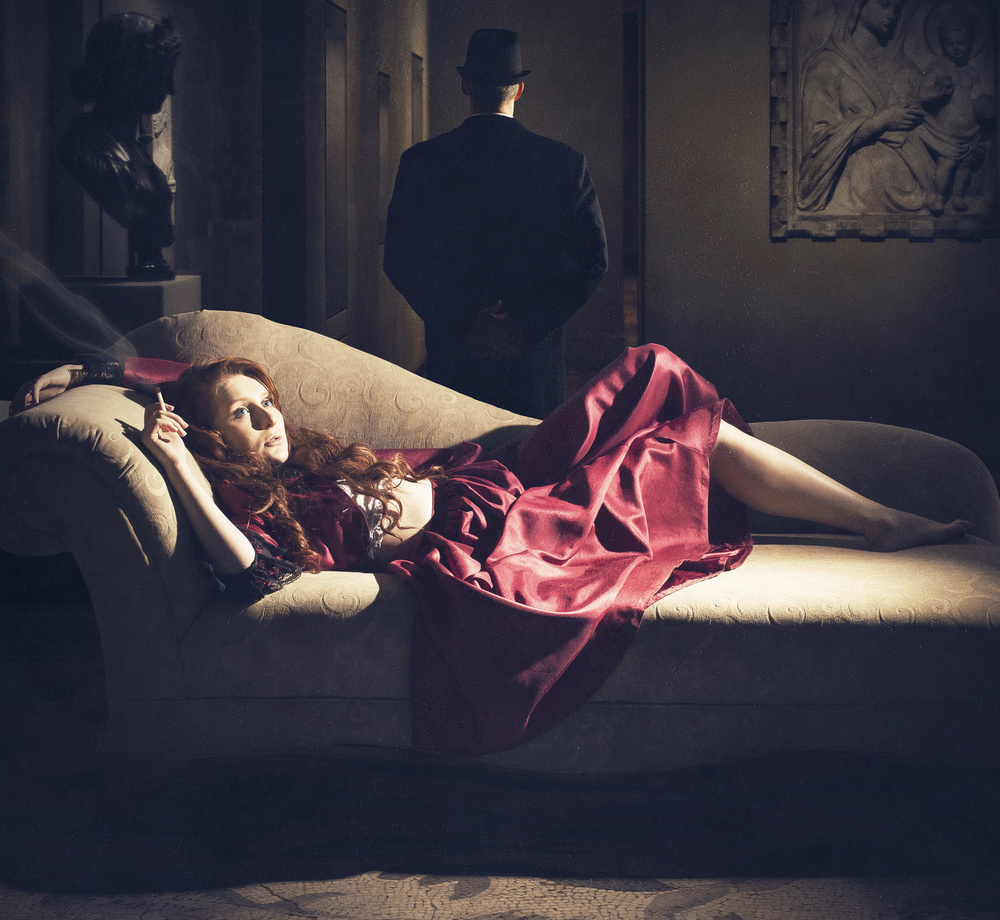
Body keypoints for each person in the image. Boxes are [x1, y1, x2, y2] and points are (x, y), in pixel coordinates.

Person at [12, 347, 971, 757]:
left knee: (654, 374)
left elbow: (174, 364)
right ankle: (882, 524)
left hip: (500, 475)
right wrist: (180, 467)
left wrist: (88, 365)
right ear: (208, 437)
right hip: (511, 531)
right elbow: (244, 572)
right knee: (689, 433)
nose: (270, 420)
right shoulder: (246, 503)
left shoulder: (302, 456)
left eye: (269, 404)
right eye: (244, 415)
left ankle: (877, 520)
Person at [383, 28, 608, 418]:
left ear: (465, 87)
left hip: (455, 359)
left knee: (452, 452)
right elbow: (592, 261)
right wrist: (524, 325)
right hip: (531, 368)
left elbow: (400, 258)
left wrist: (464, 323)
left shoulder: (421, 161)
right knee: (530, 454)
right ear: (518, 90)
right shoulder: (564, 163)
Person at [58, 12, 181, 280]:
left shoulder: (139, 159)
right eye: (160, 73)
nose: (170, 88)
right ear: (129, 73)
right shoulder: (82, 148)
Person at [797, 0, 938, 214]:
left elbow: (927, 123)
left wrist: (958, 144)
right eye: (884, 4)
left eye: (897, 9)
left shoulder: (904, 68)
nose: (892, 14)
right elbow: (818, 144)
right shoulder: (827, 66)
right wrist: (881, 122)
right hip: (857, 193)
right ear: (858, 6)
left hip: (914, 187)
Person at [918, 7, 993, 215]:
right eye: (950, 44)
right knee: (947, 163)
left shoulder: (971, 71)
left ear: (970, 42)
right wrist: (940, 92)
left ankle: (958, 195)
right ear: (942, 44)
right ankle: (939, 197)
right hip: (947, 131)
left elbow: (979, 97)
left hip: (970, 130)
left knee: (965, 165)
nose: (956, 48)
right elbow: (922, 95)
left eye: (961, 42)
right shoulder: (939, 67)